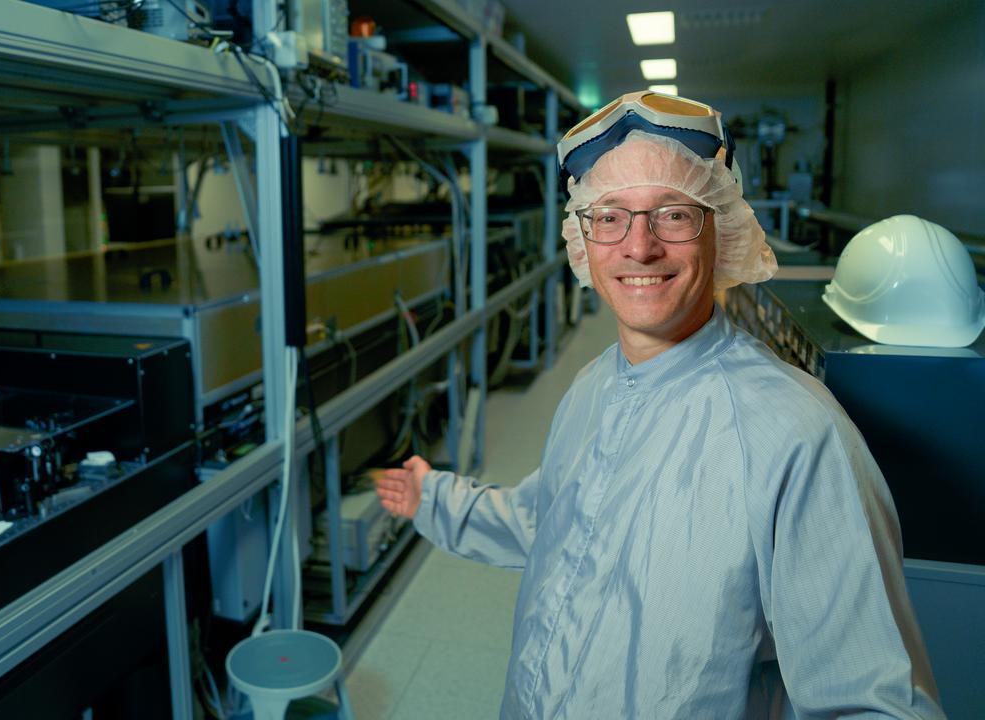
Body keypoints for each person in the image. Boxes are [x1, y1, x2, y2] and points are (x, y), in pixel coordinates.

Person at [375, 90, 943, 719]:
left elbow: (874, 705)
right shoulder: (593, 386)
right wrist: (434, 499)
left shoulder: (797, 437)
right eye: (610, 216)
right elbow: (551, 524)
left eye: (673, 215)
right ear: (582, 239)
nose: (639, 247)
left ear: (718, 230)